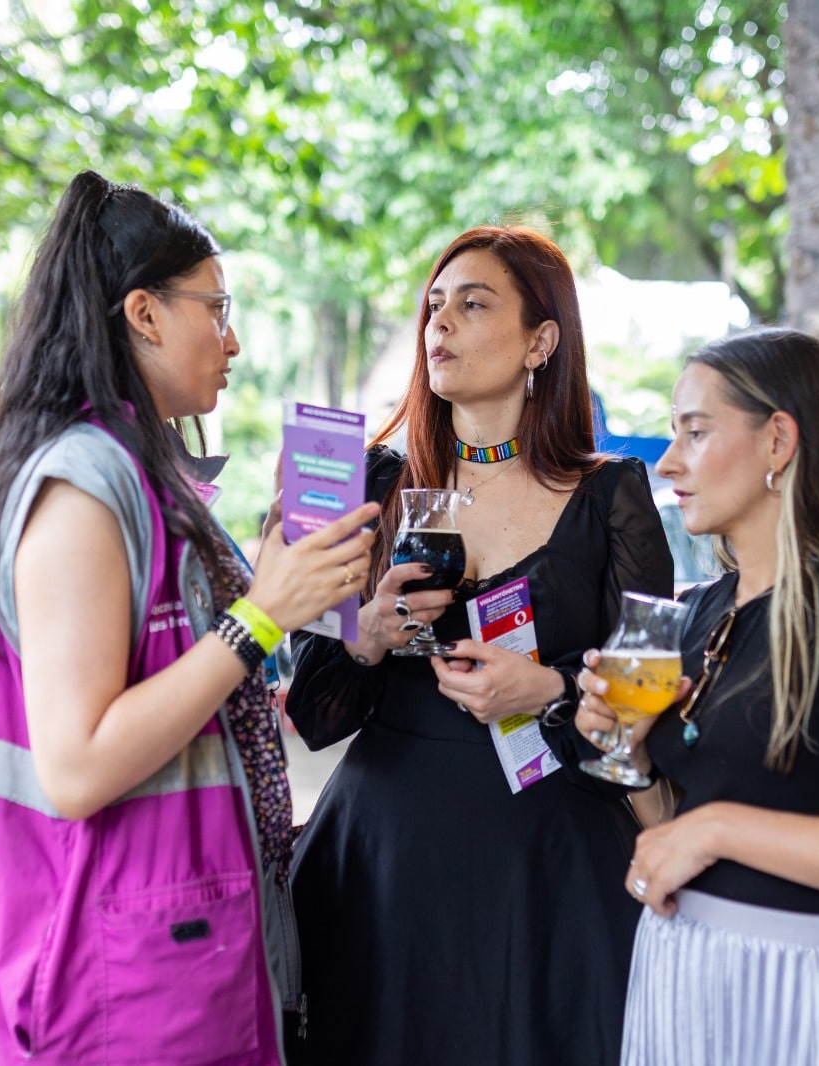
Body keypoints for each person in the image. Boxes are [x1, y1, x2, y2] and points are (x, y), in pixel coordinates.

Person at [0, 170, 379, 1066]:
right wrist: (259, 616)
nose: (233, 340)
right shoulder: (83, 484)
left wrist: (298, 594)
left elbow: (182, 677)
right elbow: (78, 764)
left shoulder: (140, 470)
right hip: (113, 975)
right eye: (217, 309)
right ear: (144, 313)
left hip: (169, 943)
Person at [284, 225, 674, 1065]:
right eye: (434, 305)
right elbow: (312, 713)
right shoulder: (368, 482)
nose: (441, 323)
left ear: (542, 340)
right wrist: (368, 635)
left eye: (473, 303)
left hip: (548, 868)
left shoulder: (613, 494)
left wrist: (550, 689)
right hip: (382, 859)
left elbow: (649, 702)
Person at [574, 328, 819, 1065]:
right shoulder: (699, 611)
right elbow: (675, 821)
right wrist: (629, 751)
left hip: (812, 988)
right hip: (679, 972)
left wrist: (718, 830)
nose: (667, 462)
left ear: (778, 441)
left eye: (696, 432)